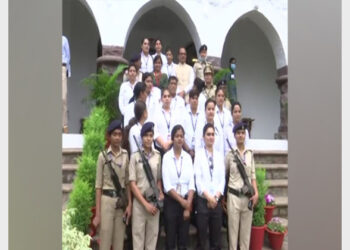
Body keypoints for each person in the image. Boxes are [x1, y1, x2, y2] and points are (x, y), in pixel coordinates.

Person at [93, 120, 132, 250]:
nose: (117, 137)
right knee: (104, 241)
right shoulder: (102, 157)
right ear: (109, 137)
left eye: (120, 134)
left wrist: (129, 205)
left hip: (121, 203)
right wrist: (98, 214)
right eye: (114, 134)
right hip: (107, 201)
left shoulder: (126, 155)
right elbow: (98, 186)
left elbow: (127, 183)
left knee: (119, 242)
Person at [129, 122, 164, 250]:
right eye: (146, 136)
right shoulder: (134, 157)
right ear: (141, 137)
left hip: (154, 203)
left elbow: (158, 179)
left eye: (151, 135)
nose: (149, 138)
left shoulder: (158, 156)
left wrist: (160, 192)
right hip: (139, 204)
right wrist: (145, 204)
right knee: (138, 242)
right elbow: (132, 184)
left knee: (152, 241)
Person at [224, 122, 258, 250]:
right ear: (234, 135)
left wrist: (256, 193)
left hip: (248, 198)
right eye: (238, 133)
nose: (241, 135)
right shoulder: (229, 155)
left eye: (243, 133)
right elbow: (224, 175)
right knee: (233, 234)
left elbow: (253, 175)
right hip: (233, 197)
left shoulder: (250, 153)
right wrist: (224, 197)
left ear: (245, 135)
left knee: (245, 235)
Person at [162, 125, 195, 250]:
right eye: (177, 136)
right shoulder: (166, 157)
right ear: (172, 138)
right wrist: (183, 202)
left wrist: (188, 205)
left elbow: (191, 183)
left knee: (183, 242)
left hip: (186, 201)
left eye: (182, 136)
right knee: (170, 241)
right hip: (171, 202)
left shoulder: (187, 158)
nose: (180, 139)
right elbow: (167, 185)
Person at [194, 123, 225, 250]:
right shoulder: (199, 155)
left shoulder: (219, 155)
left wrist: (216, 198)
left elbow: (222, 179)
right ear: (203, 137)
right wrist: (208, 197)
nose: (211, 137)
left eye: (213, 134)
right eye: (208, 134)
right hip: (203, 201)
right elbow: (198, 179)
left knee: (216, 240)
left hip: (216, 202)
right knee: (201, 238)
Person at [154, 88, 181, 155]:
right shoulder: (156, 113)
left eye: (169, 96)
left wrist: (169, 143)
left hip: (172, 146)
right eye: (165, 96)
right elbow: (155, 131)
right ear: (161, 99)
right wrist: (163, 144)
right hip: (159, 148)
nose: (167, 98)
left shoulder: (176, 113)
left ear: (171, 98)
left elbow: (177, 130)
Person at [182, 88, 201, 160]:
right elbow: (181, 134)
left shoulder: (202, 115)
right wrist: (188, 150)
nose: (195, 100)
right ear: (189, 100)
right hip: (186, 150)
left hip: (199, 152)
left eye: (196, 98)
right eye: (193, 98)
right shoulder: (183, 114)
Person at [215, 87, 233, 156]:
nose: (220, 98)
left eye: (222, 96)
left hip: (227, 146)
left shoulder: (228, 113)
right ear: (215, 97)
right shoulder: (212, 113)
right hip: (216, 146)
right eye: (219, 96)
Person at [62, 35, 71, 133]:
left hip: (62, 67)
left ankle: (64, 125)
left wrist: (67, 72)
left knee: (63, 98)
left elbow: (68, 57)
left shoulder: (64, 39)